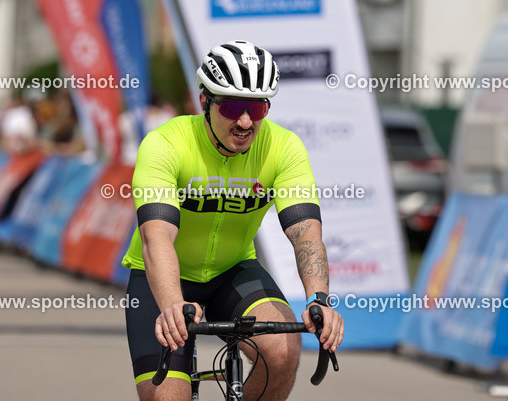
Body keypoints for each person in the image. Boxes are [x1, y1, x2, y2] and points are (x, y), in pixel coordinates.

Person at [122, 41, 343, 401]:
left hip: (232, 271)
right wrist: (173, 304)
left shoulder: (283, 147)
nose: (245, 121)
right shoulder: (165, 144)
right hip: (161, 277)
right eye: (232, 107)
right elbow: (157, 237)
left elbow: (306, 234)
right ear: (204, 102)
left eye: (256, 108)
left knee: (284, 350)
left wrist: (319, 298)